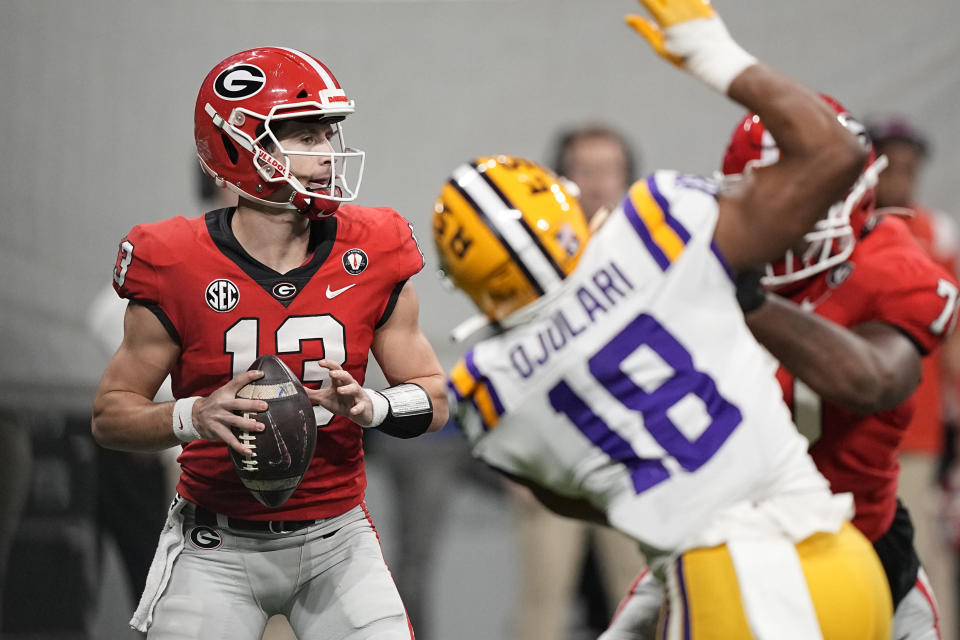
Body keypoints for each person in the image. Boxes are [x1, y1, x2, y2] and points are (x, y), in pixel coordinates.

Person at [435, 0, 891, 637]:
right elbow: (836, 153)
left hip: (732, 587)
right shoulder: (656, 229)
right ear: (563, 200)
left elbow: (576, 492)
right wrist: (713, 54)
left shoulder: (489, 390)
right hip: (843, 558)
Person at [90, 46, 448, 640]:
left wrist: (375, 406)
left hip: (339, 539)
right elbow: (110, 416)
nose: (328, 154)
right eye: (304, 136)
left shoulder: (375, 247)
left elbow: (438, 399)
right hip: (215, 543)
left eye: (328, 134)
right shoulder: (174, 260)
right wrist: (194, 415)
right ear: (239, 147)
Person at [603, 100, 960, 640]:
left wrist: (747, 301)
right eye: (776, 193)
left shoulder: (887, 259)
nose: (792, 213)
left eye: (809, 194)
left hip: (860, 538)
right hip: (721, 540)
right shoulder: (691, 261)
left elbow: (873, 380)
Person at [505, 124, 645, 640]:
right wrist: (513, 458)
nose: (599, 184)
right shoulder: (526, 261)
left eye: (609, 170)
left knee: (642, 600)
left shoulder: (653, 256)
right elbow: (504, 359)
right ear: (559, 182)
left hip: (630, 458)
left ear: (629, 177)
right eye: (585, 171)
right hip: (550, 459)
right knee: (542, 608)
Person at [869, 115, 960, 640]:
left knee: (918, 548)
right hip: (850, 417)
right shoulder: (841, 229)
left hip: (916, 426)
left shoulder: (937, 232)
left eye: (909, 166)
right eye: (888, 164)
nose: (900, 177)